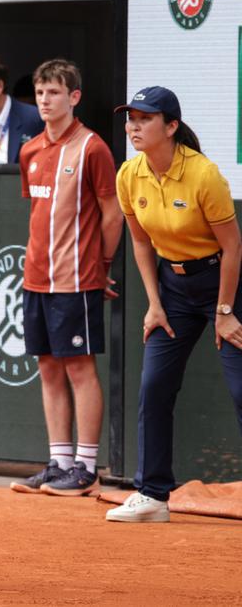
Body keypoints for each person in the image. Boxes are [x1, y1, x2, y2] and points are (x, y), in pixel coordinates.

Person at [105, 87, 242, 523]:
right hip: (172, 289)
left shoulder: (204, 176)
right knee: (154, 387)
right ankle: (153, 495)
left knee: (241, 390)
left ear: (171, 126)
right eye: (131, 118)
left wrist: (224, 313)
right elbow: (141, 241)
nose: (133, 127)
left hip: (223, 282)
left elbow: (234, 247)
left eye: (144, 119)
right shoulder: (128, 175)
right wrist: (153, 303)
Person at [7, 59, 122, 497]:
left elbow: (112, 215)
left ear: (74, 97)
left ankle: (87, 467)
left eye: (54, 93)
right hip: (35, 278)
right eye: (39, 93)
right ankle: (59, 462)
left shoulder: (93, 148)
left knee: (79, 368)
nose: (45, 100)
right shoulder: (29, 150)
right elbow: (38, 215)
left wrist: (102, 266)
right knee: (47, 369)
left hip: (77, 280)